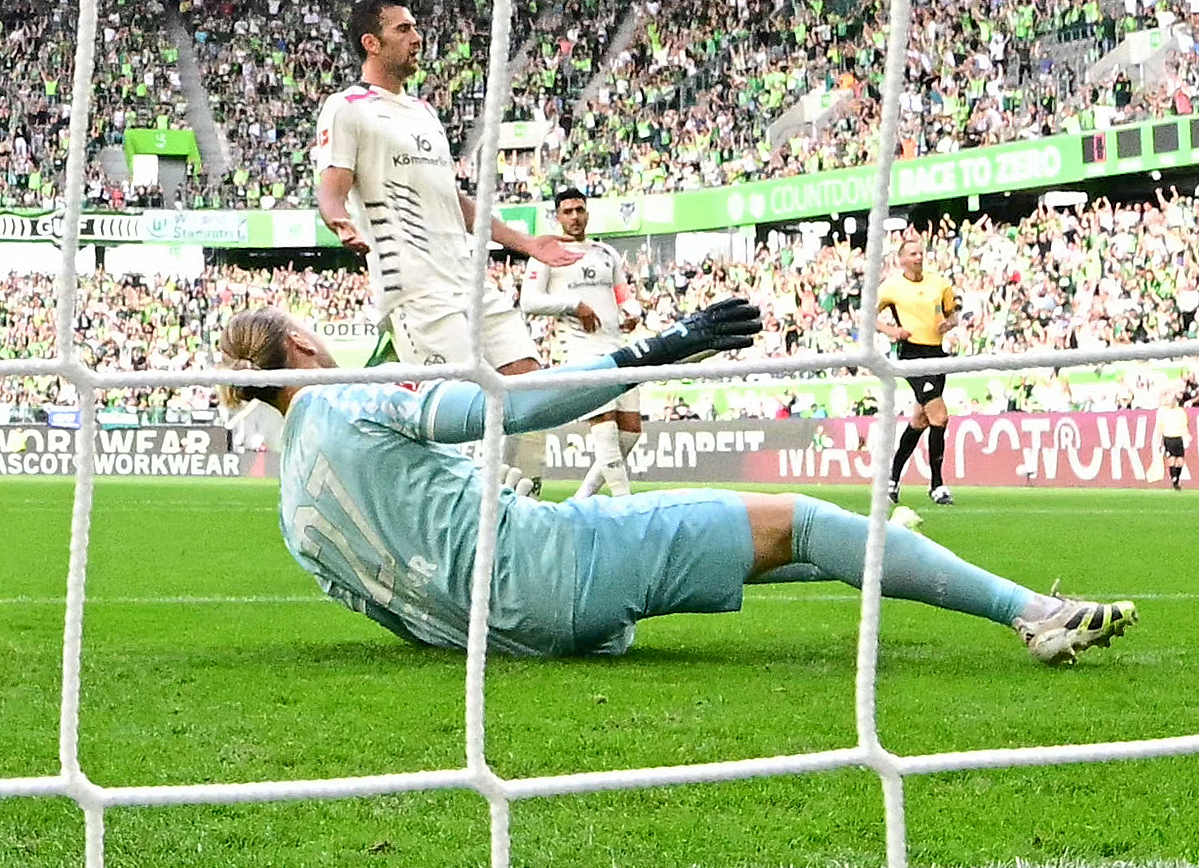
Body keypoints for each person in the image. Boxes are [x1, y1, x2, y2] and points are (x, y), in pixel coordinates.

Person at [217, 297, 1133, 665]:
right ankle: (1033, 614)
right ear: (300, 344)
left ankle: (915, 562)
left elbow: (395, 617)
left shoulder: (293, 513)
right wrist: (655, 351)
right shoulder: (351, 397)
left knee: (781, 546)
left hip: (511, 637)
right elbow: (510, 406)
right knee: (805, 519)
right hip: (558, 562)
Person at [311, 0, 582, 495]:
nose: (418, 38)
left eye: (416, 27)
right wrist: (339, 221)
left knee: (532, 393)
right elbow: (332, 186)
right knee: (461, 417)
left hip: (468, 280)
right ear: (371, 42)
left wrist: (527, 244)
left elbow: (454, 201)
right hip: (416, 289)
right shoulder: (345, 108)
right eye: (403, 29)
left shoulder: (423, 112)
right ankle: (458, 523)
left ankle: (514, 509)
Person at [517, 187, 643, 498]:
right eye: (568, 211)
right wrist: (574, 305)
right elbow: (529, 301)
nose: (575, 217)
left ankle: (581, 499)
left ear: (587, 212)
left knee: (631, 432)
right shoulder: (547, 253)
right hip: (580, 349)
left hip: (617, 346)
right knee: (606, 429)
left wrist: (632, 312)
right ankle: (624, 503)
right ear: (557, 217)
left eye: (579, 210)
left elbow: (623, 295)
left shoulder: (605, 252)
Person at [874, 231, 959, 507]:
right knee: (940, 416)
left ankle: (891, 480)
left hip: (937, 354)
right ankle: (937, 485)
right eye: (912, 254)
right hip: (912, 353)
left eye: (921, 252)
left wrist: (948, 323)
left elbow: (953, 313)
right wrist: (892, 331)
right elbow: (868, 316)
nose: (919, 257)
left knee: (921, 421)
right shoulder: (891, 287)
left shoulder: (939, 283)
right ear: (901, 260)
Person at [1161, 384, 1188, 494]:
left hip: (1178, 437)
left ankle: (1177, 478)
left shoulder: (1180, 411)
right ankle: (1174, 480)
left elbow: (1184, 426)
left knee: (1180, 460)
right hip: (1168, 437)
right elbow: (1160, 427)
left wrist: (1187, 435)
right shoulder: (1163, 411)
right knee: (1172, 459)